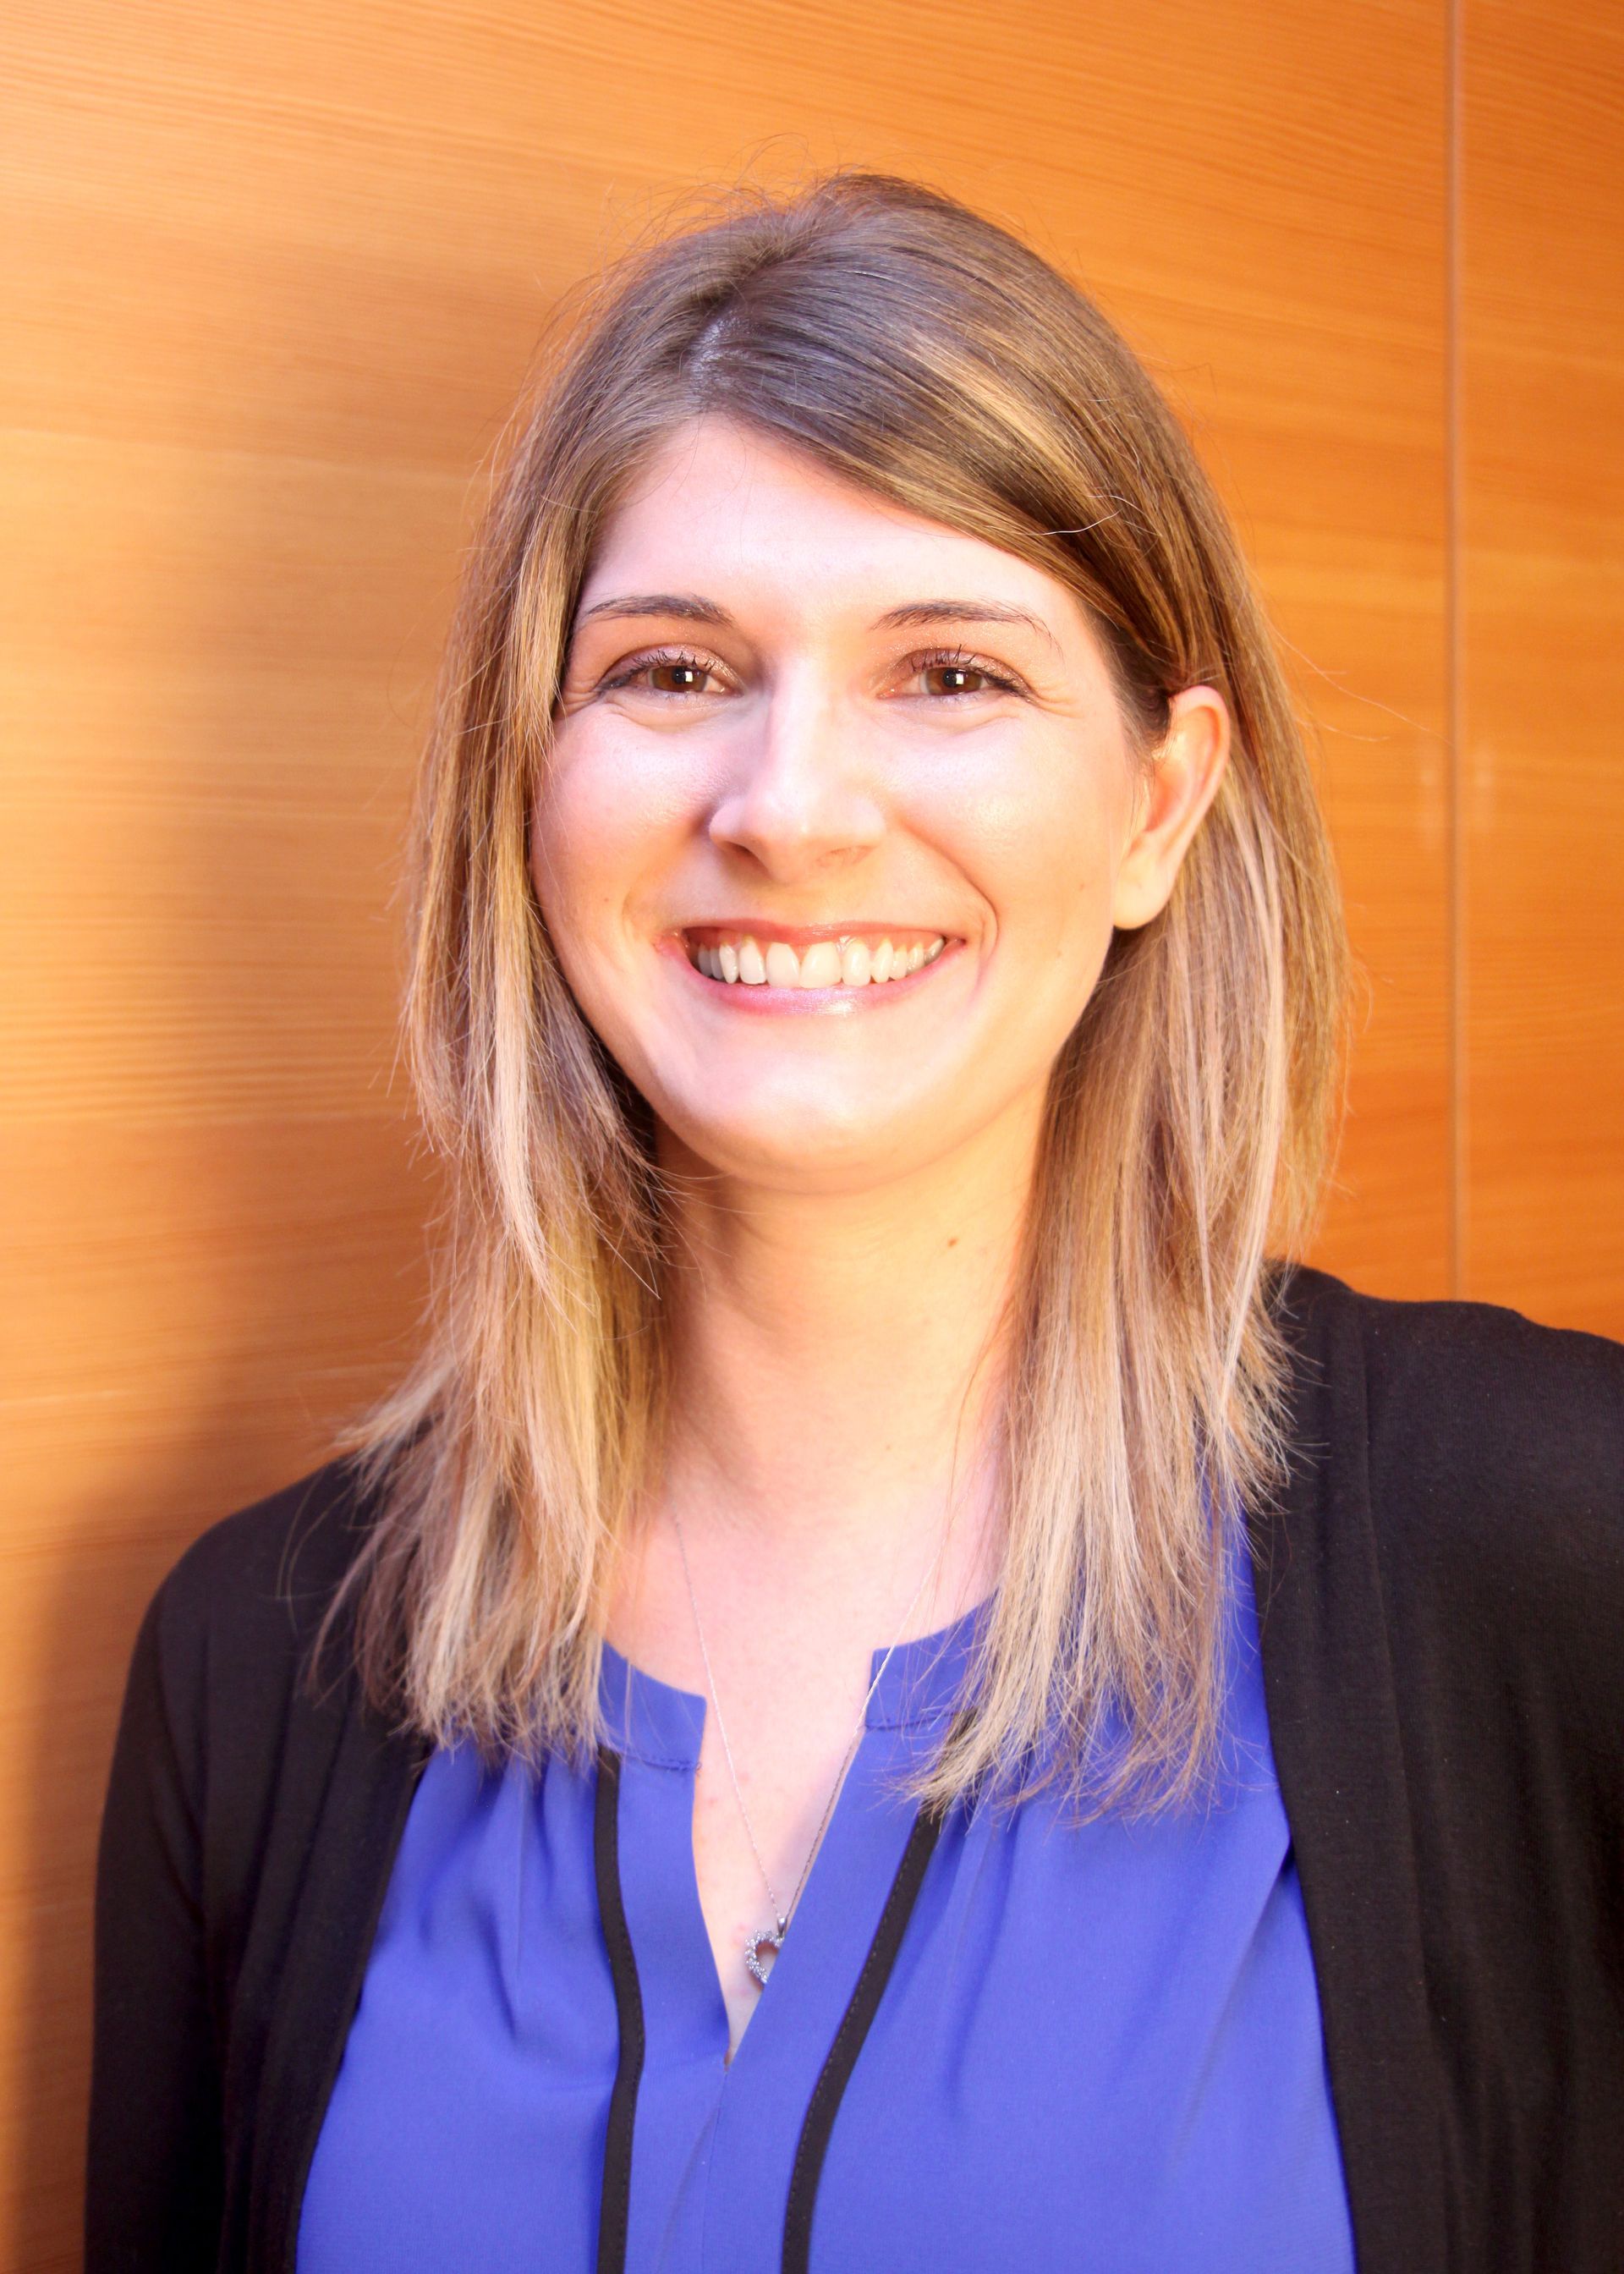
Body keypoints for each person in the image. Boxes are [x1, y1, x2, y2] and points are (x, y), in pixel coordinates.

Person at [86, 172, 1622, 2274]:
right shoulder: (257, 1663)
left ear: (1160, 808)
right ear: (528, 788)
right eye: (677, 668)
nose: (790, 808)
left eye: (952, 675)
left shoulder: (1538, 1534)